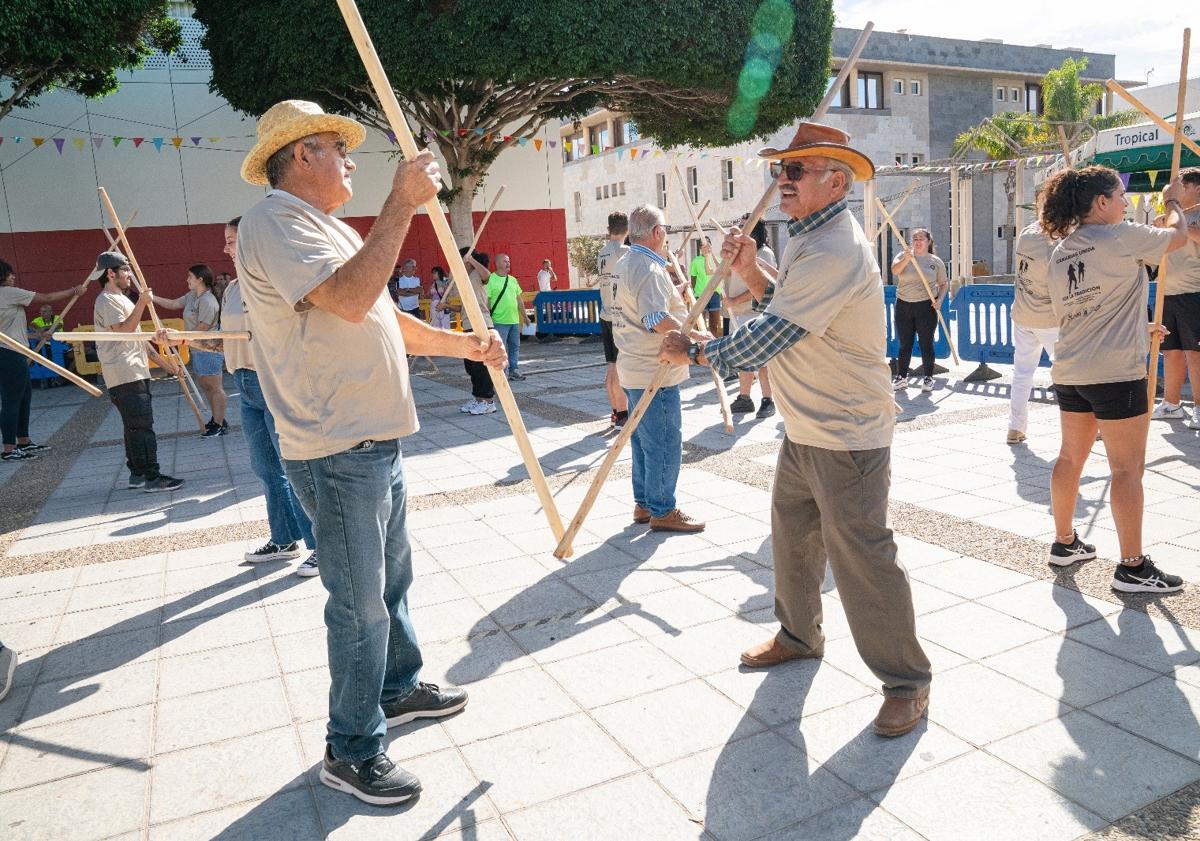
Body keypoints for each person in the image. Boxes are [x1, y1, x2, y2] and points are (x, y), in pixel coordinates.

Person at [235, 99, 507, 805]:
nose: (350, 158)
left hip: (371, 439)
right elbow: (355, 298)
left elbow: (385, 317)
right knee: (359, 607)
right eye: (337, 146)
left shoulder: (318, 224)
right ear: (301, 155)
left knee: (390, 584)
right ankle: (350, 746)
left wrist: (467, 344)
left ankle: (395, 685)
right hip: (334, 444)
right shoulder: (273, 222)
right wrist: (401, 204)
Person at [660, 122, 932, 737]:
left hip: (849, 432)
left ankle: (908, 682)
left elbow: (777, 333)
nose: (781, 180)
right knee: (792, 538)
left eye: (795, 171)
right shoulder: (810, 239)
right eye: (780, 170)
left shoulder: (837, 245)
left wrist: (699, 350)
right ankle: (799, 635)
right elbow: (784, 303)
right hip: (806, 426)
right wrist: (753, 271)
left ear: (835, 181)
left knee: (862, 556)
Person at [1042, 165, 1190, 592]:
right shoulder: (1120, 235)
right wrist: (1174, 200)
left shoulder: (1063, 250)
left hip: (1072, 368)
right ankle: (1132, 566)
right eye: (1120, 196)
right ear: (1101, 202)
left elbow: (1079, 311)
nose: (1126, 202)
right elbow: (1177, 238)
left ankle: (1065, 541)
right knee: (1127, 469)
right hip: (1114, 373)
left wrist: (1135, 326)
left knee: (1071, 457)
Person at [185, 217, 319, 575]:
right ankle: (284, 536)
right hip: (244, 384)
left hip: (274, 382)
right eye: (226, 242)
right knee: (266, 467)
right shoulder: (231, 289)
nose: (225, 249)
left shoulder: (273, 281)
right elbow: (223, 340)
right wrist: (183, 339)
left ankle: (322, 544)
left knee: (296, 466)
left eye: (231, 241)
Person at [611, 204, 708, 533]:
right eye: (665, 228)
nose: (666, 234)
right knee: (663, 441)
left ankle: (644, 502)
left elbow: (647, 308)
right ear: (656, 232)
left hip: (633, 365)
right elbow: (655, 319)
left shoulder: (628, 261)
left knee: (643, 439)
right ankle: (663, 509)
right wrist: (692, 337)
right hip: (654, 369)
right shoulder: (648, 269)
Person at [90, 251, 184, 492]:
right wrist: (143, 302)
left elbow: (140, 340)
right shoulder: (107, 300)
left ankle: (138, 473)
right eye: (126, 270)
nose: (130, 275)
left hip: (134, 371)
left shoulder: (122, 299)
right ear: (111, 273)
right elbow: (124, 330)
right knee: (142, 426)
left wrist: (168, 367)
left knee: (133, 426)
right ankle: (153, 477)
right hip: (124, 373)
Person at [0, 261, 86, 460]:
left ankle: (23, 440)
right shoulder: (7, 293)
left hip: (13, 351)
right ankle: (9, 449)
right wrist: (74, 291)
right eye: (9, 274)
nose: (13, 277)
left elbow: (7, 331)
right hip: (10, 354)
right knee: (12, 400)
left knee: (24, 397)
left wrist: (37, 336)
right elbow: (45, 298)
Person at [153, 265, 228, 437]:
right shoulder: (192, 296)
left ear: (200, 279)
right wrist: (151, 298)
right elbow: (172, 304)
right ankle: (217, 419)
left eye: (190, 277)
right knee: (206, 386)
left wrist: (179, 338)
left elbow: (201, 329)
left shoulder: (208, 301)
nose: (187, 280)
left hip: (209, 348)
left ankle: (219, 423)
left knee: (215, 387)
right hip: (196, 348)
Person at [1151, 167, 1200, 426]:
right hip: (1167, 291)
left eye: (1182, 185)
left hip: (1195, 291)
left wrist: (1179, 225)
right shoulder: (1173, 216)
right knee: (1170, 352)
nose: (1176, 190)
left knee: (1195, 353)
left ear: (1197, 188)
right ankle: (1171, 404)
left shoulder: (1190, 215)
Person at [1007, 202, 1059, 444]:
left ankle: (1015, 427)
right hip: (1048, 317)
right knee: (1069, 373)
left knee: (1022, 373)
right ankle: (1087, 424)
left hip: (1023, 313)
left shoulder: (1027, 234)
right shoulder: (1056, 243)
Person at [723, 220, 777, 420]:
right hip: (737, 313)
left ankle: (767, 399)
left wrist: (734, 300)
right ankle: (744, 397)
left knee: (762, 361)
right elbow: (720, 273)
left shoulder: (764, 254)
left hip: (755, 312)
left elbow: (764, 285)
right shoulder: (739, 253)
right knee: (743, 359)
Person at [889, 228, 947, 394]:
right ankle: (901, 377)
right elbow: (895, 271)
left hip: (926, 307)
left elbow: (943, 284)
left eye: (921, 238)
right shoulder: (903, 255)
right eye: (915, 239)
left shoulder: (935, 261)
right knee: (905, 343)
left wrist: (940, 300)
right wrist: (907, 259)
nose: (918, 241)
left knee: (926, 343)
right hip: (904, 304)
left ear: (928, 241)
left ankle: (928, 378)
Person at [592, 212, 630, 427]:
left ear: (609, 229)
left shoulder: (602, 253)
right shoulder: (625, 251)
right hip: (619, 316)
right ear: (627, 230)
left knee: (611, 366)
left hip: (605, 313)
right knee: (620, 368)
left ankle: (615, 412)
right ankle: (623, 413)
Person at [457, 248, 498, 414]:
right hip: (468, 324)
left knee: (481, 365)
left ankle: (489, 401)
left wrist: (472, 260)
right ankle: (478, 398)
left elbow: (488, 275)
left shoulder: (477, 274)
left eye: (461, 259)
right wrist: (446, 307)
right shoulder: (463, 278)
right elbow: (463, 307)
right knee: (471, 366)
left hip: (481, 323)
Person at [486, 253, 528, 380]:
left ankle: (514, 370)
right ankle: (501, 373)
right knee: (501, 348)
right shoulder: (490, 280)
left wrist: (525, 316)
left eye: (509, 261)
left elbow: (519, 300)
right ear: (497, 263)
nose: (508, 263)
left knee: (515, 347)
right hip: (499, 321)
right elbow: (486, 302)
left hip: (514, 320)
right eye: (505, 261)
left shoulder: (513, 280)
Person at [690, 237, 722, 336]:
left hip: (715, 294)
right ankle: (701, 346)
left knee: (714, 325)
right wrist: (695, 293)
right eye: (703, 246)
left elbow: (721, 274)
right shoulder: (696, 261)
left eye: (708, 245)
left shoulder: (717, 259)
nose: (706, 248)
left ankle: (713, 345)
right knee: (701, 325)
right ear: (700, 248)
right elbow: (693, 279)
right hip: (700, 295)